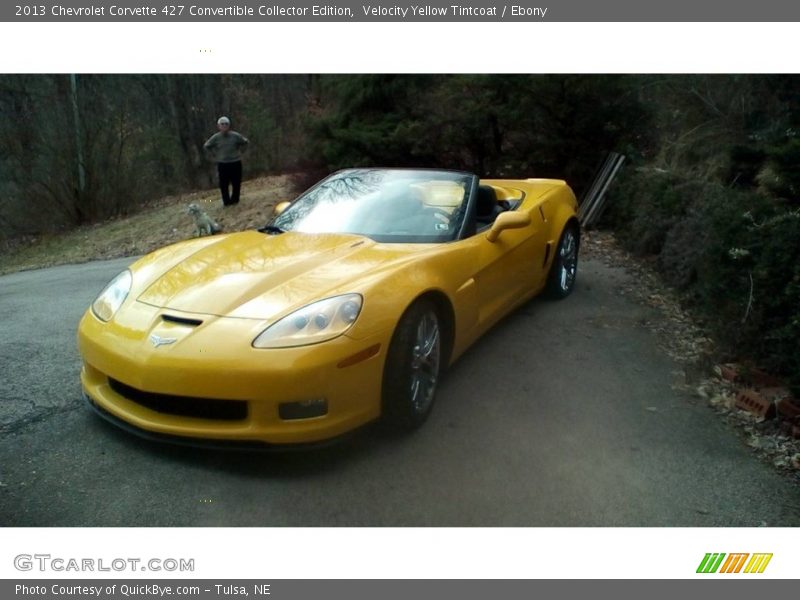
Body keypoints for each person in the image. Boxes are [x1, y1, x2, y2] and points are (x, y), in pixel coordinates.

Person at [203, 116, 249, 206]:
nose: (224, 126)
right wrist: (214, 155)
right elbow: (207, 146)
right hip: (223, 164)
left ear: (229, 126)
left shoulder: (235, 136)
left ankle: (235, 200)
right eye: (222, 124)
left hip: (235, 162)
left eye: (226, 124)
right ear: (218, 126)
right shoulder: (216, 137)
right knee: (224, 184)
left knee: (236, 182)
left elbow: (245, 142)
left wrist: (241, 152)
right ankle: (226, 202)